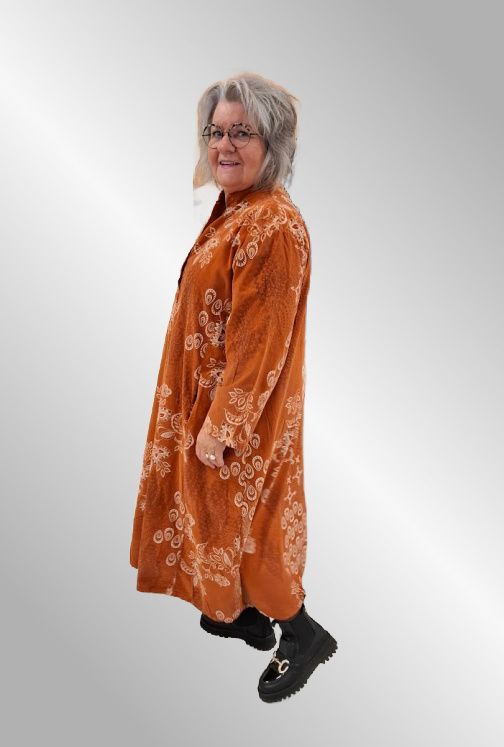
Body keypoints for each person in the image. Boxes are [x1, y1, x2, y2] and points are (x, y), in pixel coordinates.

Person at [129, 71, 337, 702]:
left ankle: (302, 633)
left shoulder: (272, 225)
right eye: (214, 132)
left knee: (253, 522)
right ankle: (237, 611)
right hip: (206, 403)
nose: (223, 145)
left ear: (273, 143)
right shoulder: (236, 211)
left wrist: (223, 425)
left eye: (241, 132)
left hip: (240, 414)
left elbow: (259, 341)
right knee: (211, 512)